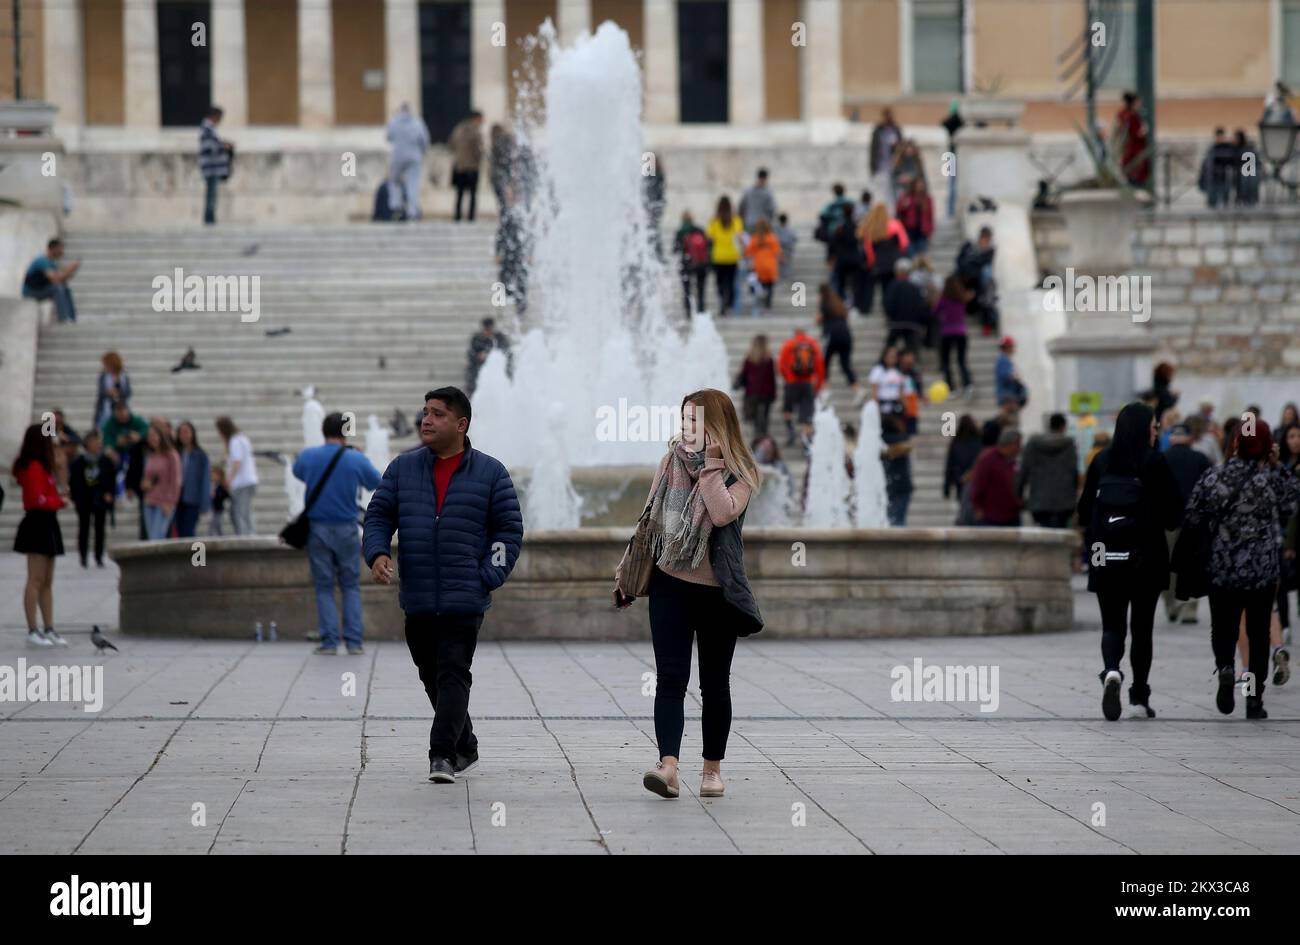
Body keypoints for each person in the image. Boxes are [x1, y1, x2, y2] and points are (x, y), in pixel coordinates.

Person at [364, 387, 522, 782]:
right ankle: (466, 745)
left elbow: (508, 533)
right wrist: (378, 553)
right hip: (417, 597)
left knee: (453, 672)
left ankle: (442, 755)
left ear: (461, 424)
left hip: (464, 597)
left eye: (437, 414)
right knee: (431, 674)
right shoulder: (403, 468)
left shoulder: (491, 473)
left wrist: (487, 575)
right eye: (425, 413)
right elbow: (379, 515)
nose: (426, 421)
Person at [614, 389, 763, 800]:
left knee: (715, 684)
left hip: (718, 594)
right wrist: (626, 569)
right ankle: (669, 766)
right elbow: (650, 519)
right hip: (670, 585)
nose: (686, 429)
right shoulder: (669, 462)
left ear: (717, 425)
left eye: (694, 421)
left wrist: (711, 465)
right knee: (671, 679)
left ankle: (712, 770)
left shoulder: (741, 471)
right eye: (683, 420)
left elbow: (720, 513)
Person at [1185, 419, 1300, 719]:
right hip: (1261, 571)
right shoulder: (1269, 482)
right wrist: (1277, 466)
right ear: (1265, 447)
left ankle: (1225, 667)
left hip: (1222, 570)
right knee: (1259, 634)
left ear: (1235, 443)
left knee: (1222, 627)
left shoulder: (1214, 477)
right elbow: (1293, 500)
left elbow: (1193, 515)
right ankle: (1253, 698)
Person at [1078, 402, 1183, 721]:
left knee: (1112, 625)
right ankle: (1139, 695)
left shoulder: (1101, 461)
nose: (1156, 432)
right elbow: (1173, 514)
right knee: (1142, 629)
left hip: (1105, 557)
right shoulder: (1154, 462)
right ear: (1143, 429)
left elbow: (1084, 511)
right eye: (1153, 427)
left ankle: (1111, 671)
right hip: (1145, 559)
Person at [295, 412, 383, 655]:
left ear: (323, 432)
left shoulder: (309, 456)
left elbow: (298, 473)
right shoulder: (355, 458)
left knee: (324, 586)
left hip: (317, 529)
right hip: (346, 528)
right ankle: (354, 642)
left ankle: (330, 642)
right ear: (345, 432)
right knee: (351, 585)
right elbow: (376, 482)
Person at [13, 424, 68, 647]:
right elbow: (38, 499)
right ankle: (33, 629)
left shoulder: (44, 467)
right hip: (37, 522)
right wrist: (60, 502)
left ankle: (49, 627)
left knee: (47, 580)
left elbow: (48, 493)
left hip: (47, 522)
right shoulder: (34, 467)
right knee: (35, 579)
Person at [1161, 423, 1212, 624]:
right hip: (1195, 522)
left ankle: (1172, 605)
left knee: (1169, 566)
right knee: (1193, 565)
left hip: (1168, 522)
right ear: (1190, 439)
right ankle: (1190, 607)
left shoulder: (1162, 459)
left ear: (1172, 438)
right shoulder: (1200, 459)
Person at [1017, 413, 1078, 528]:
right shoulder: (1069, 445)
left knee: (1044, 534)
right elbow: (1073, 471)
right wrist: (1073, 495)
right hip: (1064, 501)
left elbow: (1024, 471)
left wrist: (1019, 494)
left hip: (1039, 501)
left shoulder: (1033, 444)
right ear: (1063, 427)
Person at [101, 398, 148, 537]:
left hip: (136, 460)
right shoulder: (110, 424)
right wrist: (115, 445)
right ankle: (117, 492)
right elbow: (106, 443)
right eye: (118, 412)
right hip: (119, 459)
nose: (122, 415)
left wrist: (138, 436)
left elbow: (148, 431)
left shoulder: (137, 421)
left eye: (123, 411)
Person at [69, 431, 115, 568]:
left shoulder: (106, 460)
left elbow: (111, 479)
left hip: (100, 499)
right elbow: (74, 481)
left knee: (100, 529)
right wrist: (75, 498)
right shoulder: (79, 461)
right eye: (94, 441)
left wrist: (109, 493)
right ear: (87, 444)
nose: (98, 444)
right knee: (84, 528)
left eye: (99, 441)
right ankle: (83, 556)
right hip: (84, 499)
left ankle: (99, 556)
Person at [777, 328, 825, 448]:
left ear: (795, 334)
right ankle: (806, 439)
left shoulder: (788, 344)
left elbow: (781, 364)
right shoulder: (812, 344)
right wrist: (818, 385)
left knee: (788, 409)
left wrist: (787, 377)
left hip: (791, 382)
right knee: (807, 411)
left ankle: (791, 431)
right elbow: (820, 366)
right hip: (807, 383)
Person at [816, 283, 861, 402]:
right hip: (846, 336)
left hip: (832, 335)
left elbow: (819, 319)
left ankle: (825, 390)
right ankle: (857, 390)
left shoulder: (825, 304)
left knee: (824, 364)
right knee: (845, 364)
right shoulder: (838, 303)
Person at [385, 102, 430, 220]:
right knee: (413, 184)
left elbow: (388, 137)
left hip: (398, 156)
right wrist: (423, 152)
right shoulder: (417, 123)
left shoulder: (394, 122)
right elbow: (425, 141)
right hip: (414, 156)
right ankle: (412, 211)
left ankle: (396, 205)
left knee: (394, 181)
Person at [970, 429, 1023, 527]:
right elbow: (977, 485)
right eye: (1018, 445)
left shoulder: (1013, 461)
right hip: (991, 517)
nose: (1020, 448)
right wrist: (977, 507)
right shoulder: (987, 459)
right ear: (1010, 444)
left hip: (1012, 515)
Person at [862, 203, 909, 313]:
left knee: (885, 289)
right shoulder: (895, 225)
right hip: (896, 263)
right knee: (897, 288)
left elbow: (869, 250)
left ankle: (887, 311)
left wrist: (873, 263)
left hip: (881, 265)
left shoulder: (872, 228)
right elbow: (904, 244)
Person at [215, 417, 258, 535]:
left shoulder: (235, 440)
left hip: (242, 483)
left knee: (239, 513)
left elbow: (237, 462)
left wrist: (229, 479)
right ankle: (249, 535)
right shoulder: (241, 438)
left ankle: (245, 537)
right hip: (248, 481)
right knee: (245, 511)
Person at [22, 238, 80, 323]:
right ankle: (63, 319)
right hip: (31, 292)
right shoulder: (42, 261)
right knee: (57, 288)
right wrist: (69, 269)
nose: (62, 251)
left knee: (65, 289)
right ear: (53, 248)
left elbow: (62, 279)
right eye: (60, 248)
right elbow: (55, 279)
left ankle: (72, 318)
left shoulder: (52, 263)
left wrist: (71, 270)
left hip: (41, 289)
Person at [140, 422, 182, 540]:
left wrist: (171, 502)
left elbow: (176, 481)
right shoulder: (151, 456)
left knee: (157, 537)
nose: (151, 438)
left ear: (161, 436)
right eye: (149, 436)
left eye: (154, 435)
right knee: (151, 539)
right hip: (149, 501)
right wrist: (145, 484)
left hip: (164, 503)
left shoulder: (172, 455)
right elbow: (146, 478)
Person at [937, 274, 974, 397]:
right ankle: (967, 384)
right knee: (961, 361)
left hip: (947, 332)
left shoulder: (944, 299)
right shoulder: (961, 299)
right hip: (961, 331)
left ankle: (951, 388)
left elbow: (935, 311)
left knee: (946, 362)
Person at [705, 197, 744, 316]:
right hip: (732, 256)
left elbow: (709, 237)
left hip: (719, 256)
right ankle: (729, 302)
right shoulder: (736, 220)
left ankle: (722, 301)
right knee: (731, 281)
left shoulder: (714, 221)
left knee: (719, 282)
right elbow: (739, 236)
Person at [174, 421, 212, 538]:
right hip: (176, 498)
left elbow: (205, 480)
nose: (184, 435)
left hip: (192, 499)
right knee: (178, 530)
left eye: (187, 432)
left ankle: (191, 555)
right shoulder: (176, 453)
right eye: (181, 432)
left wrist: (205, 504)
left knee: (188, 531)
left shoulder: (200, 455)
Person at [734, 334, 777, 437]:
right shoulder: (769, 359)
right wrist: (774, 393)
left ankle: (758, 437)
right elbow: (772, 378)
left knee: (756, 418)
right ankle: (764, 436)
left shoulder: (749, 359)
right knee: (765, 417)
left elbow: (744, 375)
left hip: (752, 392)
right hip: (767, 393)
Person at [956, 226, 997, 333]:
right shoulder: (969, 245)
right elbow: (960, 260)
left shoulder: (989, 250)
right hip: (965, 276)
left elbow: (983, 263)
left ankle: (987, 323)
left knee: (987, 278)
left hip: (977, 280)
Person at [944, 414, 983, 525]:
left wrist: (947, 486)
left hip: (961, 480)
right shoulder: (979, 441)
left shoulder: (956, 443)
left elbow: (949, 465)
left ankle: (965, 521)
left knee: (964, 503)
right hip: (975, 480)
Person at [883, 259, 929, 349]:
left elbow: (888, 303)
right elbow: (922, 305)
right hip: (913, 324)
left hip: (896, 323)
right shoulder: (916, 287)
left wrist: (891, 316)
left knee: (889, 347)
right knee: (911, 349)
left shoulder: (893, 285)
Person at [449, 110, 485, 222]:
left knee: (459, 194)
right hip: (472, 167)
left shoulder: (458, 129)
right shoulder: (475, 131)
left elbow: (451, 144)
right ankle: (471, 217)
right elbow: (479, 150)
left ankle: (457, 216)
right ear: (476, 119)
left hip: (460, 166)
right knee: (473, 194)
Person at [198, 105, 232, 225]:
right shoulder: (207, 129)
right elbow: (210, 147)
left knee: (211, 194)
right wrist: (224, 146)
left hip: (212, 167)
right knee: (211, 195)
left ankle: (210, 218)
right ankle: (209, 219)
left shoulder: (209, 129)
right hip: (211, 167)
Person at [673, 212, 710, 314]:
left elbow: (675, 250)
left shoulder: (680, 232)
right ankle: (701, 308)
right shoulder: (700, 230)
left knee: (687, 289)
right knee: (701, 288)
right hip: (701, 264)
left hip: (686, 264)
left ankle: (688, 309)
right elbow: (708, 245)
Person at [881, 414, 914, 527]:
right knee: (899, 520)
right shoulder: (902, 439)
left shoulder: (878, 440)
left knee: (887, 518)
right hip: (902, 485)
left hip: (886, 485)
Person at [465, 317, 511, 396]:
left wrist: (490, 355)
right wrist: (478, 356)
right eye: (486, 329)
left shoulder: (499, 337)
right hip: (479, 365)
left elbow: (505, 351)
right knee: (473, 373)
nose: (488, 331)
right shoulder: (477, 338)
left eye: (489, 329)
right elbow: (471, 353)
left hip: (496, 366)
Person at [1113, 91, 1150, 188]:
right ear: (1133, 103)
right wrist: (1145, 131)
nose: (1140, 104)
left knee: (1130, 175)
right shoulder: (1131, 116)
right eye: (1138, 102)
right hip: (1135, 150)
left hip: (1127, 151)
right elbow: (1136, 134)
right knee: (1136, 177)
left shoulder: (1122, 114)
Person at [743, 218, 781, 313]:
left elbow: (748, 252)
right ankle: (768, 306)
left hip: (759, 265)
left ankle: (760, 303)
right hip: (770, 266)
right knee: (770, 286)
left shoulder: (755, 238)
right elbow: (777, 251)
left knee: (760, 286)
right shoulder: (772, 237)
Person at [869, 107, 902, 211]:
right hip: (880, 166)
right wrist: (872, 167)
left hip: (893, 165)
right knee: (880, 192)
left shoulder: (896, 130)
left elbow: (901, 148)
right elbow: (873, 149)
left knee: (891, 193)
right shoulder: (878, 130)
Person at [1198, 128, 1238, 209]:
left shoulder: (1228, 147)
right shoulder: (1213, 148)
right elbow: (1206, 165)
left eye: (1221, 136)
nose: (1220, 138)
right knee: (1212, 202)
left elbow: (1233, 162)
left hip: (1225, 178)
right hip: (1213, 178)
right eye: (1218, 137)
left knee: (1225, 201)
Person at [895, 177, 934, 257]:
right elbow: (898, 211)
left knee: (921, 256)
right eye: (918, 185)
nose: (920, 187)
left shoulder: (927, 199)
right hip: (909, 230)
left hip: (922, 231)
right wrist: (903, 206)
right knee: (910, 255)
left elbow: (930, 215)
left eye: (921, 185)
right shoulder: (907, 197)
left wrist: (930, 230)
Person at [93, 351, 131, 430]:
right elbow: (101, 392)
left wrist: (119, 393)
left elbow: (128, 392)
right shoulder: (103, 376)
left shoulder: (123, 376)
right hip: (106, 409)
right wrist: (109, 392)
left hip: (120, 407)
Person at [867, 344, 906, 418]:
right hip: (882, 405)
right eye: (890, 356)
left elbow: (901, 391)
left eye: (894, 357)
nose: (892, 359)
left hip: (895, 406)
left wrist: (904, 405)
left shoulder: (898, 372)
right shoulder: (878, 370)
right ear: (885, 357)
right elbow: (874, 390)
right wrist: (876, 406)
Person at [738, 168, 776, 233]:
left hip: (748, 224)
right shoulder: (768, 193)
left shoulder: (748, 191)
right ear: (766, 178)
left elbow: (741, 207)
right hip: (762, 226)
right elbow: (772, 209)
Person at [994, 336, 1028, 408]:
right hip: (1007, 397)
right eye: (1012, 346)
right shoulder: (1003, 360)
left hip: (1008, 396)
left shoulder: (1004, 359)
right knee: (1009, 418)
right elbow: (1005, 376)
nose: (1013, 349)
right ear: (1007, 347)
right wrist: (1015, 377)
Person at [897, 348, 923, 436]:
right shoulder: (895, 372)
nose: (910, 359)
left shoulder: (915, 374)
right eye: (908, 356)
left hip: (911, 408)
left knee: (911, 433)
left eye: (912, 357)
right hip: (898, 409)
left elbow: (919, 390)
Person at [488, 123, 514, 210]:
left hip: (497, 176)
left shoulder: (497, 142)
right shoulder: (504, 141)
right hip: (503, 175)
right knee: (505, 200)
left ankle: (506, 220)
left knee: (502, 200)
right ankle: (508, 220)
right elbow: (507, 160)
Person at [774, 213, 797, 280]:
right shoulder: (790, 229)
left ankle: (783, 276)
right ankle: (785, 276)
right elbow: (794, 239)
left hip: (784, 249)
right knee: (784, 263)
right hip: (784, 248)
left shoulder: (776, 229)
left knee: (783, 263)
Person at [210, 467, 230, 536]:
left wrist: (217, 494)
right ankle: (212, 536)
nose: (212, 476)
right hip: (214, 508)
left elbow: (227, 495)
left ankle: (220, 537)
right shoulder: (213, 485)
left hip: (219, 509)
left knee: (217, 524)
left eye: (214, 475)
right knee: (214, 524)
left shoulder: (221, 486)